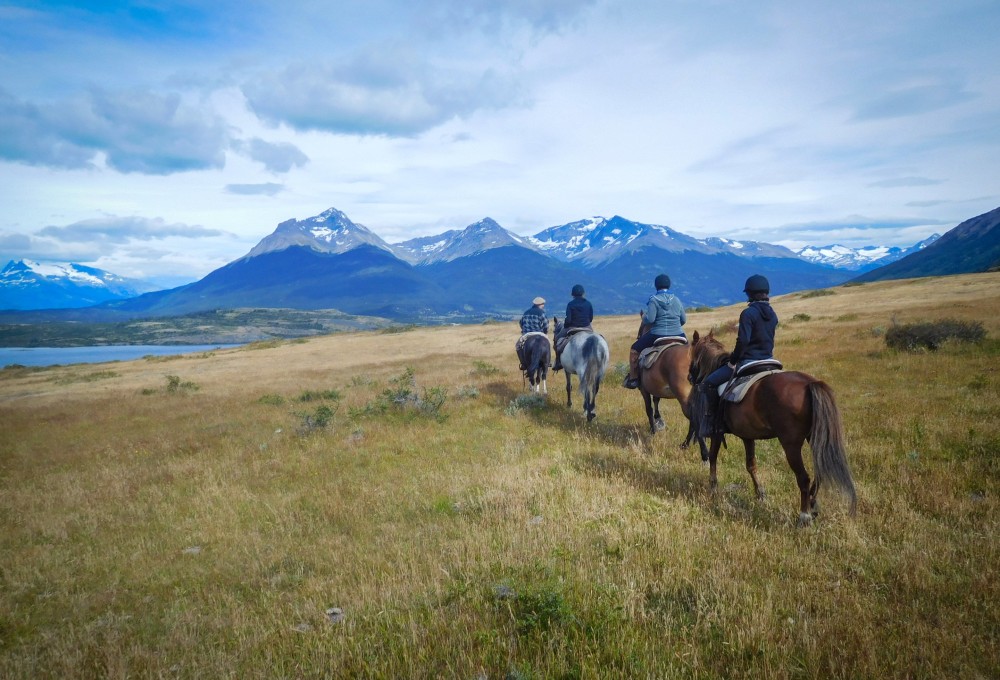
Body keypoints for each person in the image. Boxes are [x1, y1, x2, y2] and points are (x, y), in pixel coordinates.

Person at [696, 274, 778, 434]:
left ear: (750, 293)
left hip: (748, 362)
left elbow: (744, 341)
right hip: (769, 360)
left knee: (708, 384)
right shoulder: (772, 314)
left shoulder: (748, 314)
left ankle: (714, 424)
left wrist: (733, 360)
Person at [623, 273, 686, 389]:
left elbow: (650, 319)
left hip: (658, 334)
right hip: (679, 334)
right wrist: (675, 326)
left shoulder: (654, 300)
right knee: (692, 351)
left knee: (634, 350)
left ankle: (633, 379)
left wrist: (643, 317)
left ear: (656, 286)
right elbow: (683, 320)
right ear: (669, 285)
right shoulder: (677, 300)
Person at [552, 283, 593, 371]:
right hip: (587, 327)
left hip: (572, 327)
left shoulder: (570, 304)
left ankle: (558, 362)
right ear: (583, 293)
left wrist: (566, 325)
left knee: (557, 339)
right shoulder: (588, 303)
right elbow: (591, 318)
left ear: (572, 294)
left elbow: (568, 320)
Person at [516, 296, 549, 370]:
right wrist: (545, 332)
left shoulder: (526, 312)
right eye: (543, 304)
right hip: (539, 333)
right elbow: (546, 325)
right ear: (539, 304)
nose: (543, 306)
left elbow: (521, 323)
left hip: (527, 334)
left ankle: (523, 363)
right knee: (548, 344)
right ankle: (547, 362)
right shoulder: (541, 313)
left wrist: (524, 330)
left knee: (518, 346)